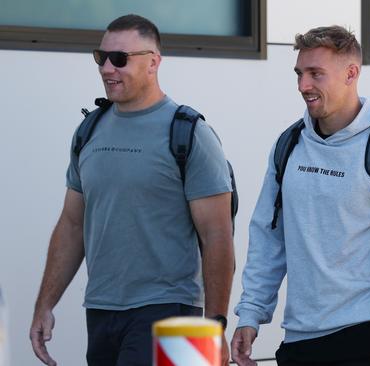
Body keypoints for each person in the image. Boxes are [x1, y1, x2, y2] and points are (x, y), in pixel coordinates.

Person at [29, 14, 234, 366]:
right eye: (101, 57)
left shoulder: (188, 133)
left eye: (120, 59)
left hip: (173, 314)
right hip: (102, 311)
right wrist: (44, 305)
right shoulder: (89, 131)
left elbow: (217, 235)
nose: (108, 68)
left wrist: (215, 326)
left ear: (154, 62)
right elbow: (72, 225)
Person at [231, 26, 370, 366]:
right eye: (299, 73)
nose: (302, 85)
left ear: (351, 73)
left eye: (315, 74)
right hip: (299, 338)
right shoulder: (288, 145)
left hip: (367, 337)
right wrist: (250, 314)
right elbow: (268, 238)